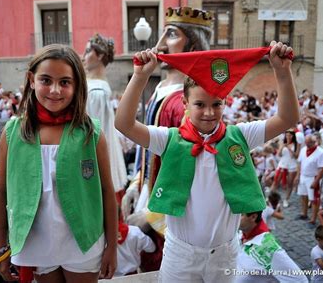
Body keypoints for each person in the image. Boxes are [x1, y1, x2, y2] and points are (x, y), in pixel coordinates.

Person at [115, 39, 298, 281]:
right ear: (185, 104)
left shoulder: (240, 136)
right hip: (180, 257)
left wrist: (282, 72)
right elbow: (124, 123)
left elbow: (287, 118)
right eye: (200, 104)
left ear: (225, 103)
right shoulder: (168, 139)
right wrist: (140, 76)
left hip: (224, 255)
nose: (209, 112)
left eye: (217, 104)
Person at [0, 44, 117, 283]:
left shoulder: (91, 133)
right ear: (31, 80)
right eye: (46, 80)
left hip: (83, 242)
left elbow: (106, 191)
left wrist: (111, 246)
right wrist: (0, 247)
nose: (55, 90)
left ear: (77, 85)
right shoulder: (13, 133)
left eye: (65, 82)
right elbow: (1, 192)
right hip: (36, 240)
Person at [121, 6, 213, 272]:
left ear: (193, 44)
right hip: (149, 190)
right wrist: (137, 180)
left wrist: (152, 217)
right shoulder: (163, 88)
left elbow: (193, 170)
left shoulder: (189, 101)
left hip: (170, 213)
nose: (160, 44)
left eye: (171, 35)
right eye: (162, 34)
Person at [83, 33, 128, 198]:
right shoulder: (93, 86)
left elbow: (95, 135)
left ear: (100, 55)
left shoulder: (97, 92)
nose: (84, 56)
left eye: (88, 51)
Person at [236, 211, 308, 282]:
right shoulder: (238, 232)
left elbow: (300, 280)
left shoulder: (268, 248)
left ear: (253, 217)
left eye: (240, 214)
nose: (233, 217)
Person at [296, 134, 323, 226]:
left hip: (313, 177)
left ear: (314, 142)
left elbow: (322, 168)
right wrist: (298, 176)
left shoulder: (320, 152)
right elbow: (299, 163)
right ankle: (304, 213)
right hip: (303, 176)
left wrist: (316, 181)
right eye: (306, 142)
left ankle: (313, 219)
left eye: (309, 143)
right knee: (303, 196)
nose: (307, 144)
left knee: (314, 199)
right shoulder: (303, 150)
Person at [271, 128, 299, 208]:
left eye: (290, 135)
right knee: (276, 182)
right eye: (287, 135)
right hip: (282, 164)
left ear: (293, 136)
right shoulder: (282, 143)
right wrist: (282, 147)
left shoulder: (296, 144)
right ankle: (270, 198)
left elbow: (296, 156)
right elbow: (279, 155)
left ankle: (286, 199)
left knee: (289, 184)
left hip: (292, 165)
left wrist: (289, 148)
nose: (288, 137)